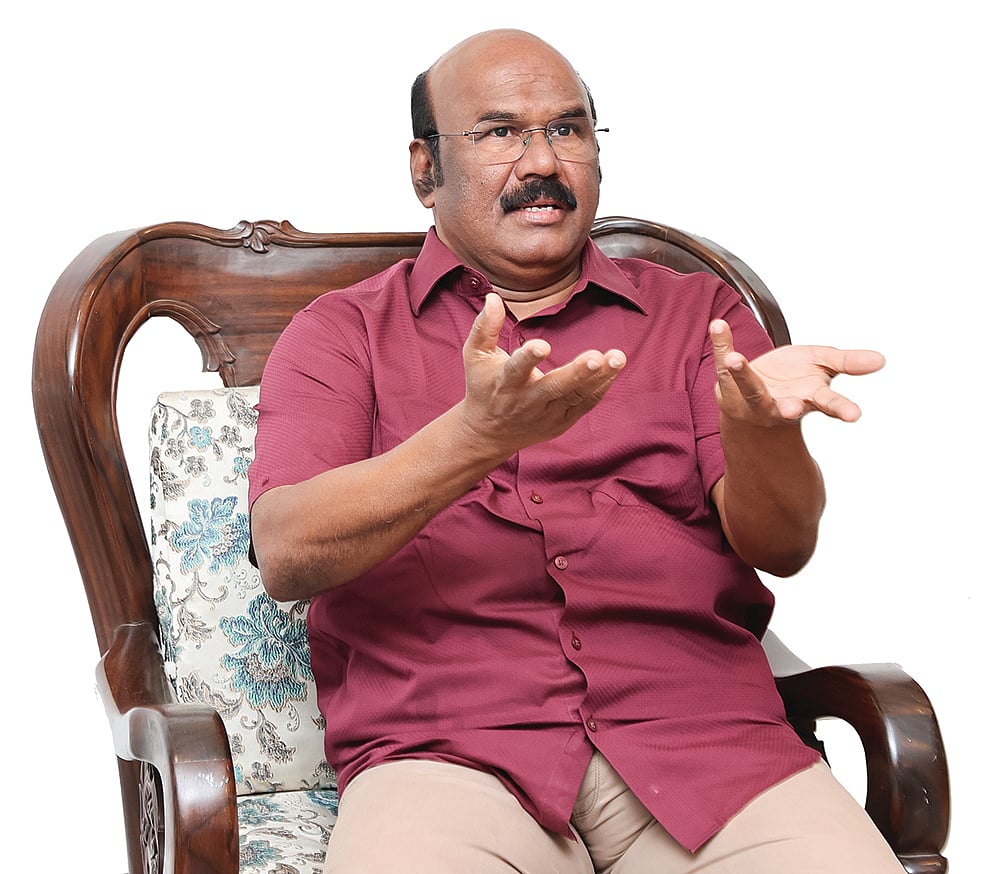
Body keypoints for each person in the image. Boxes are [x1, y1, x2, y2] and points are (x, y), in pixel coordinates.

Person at [249, 28, 903, 874]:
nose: (541, 162)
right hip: (447, 756)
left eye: (567, 129)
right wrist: (474, 439)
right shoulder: (342, 334)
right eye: (498, 133)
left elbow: (783, 547)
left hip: (707, 741)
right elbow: (288, 553)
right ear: (424, 169)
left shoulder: (697, 316)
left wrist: (764, 433)